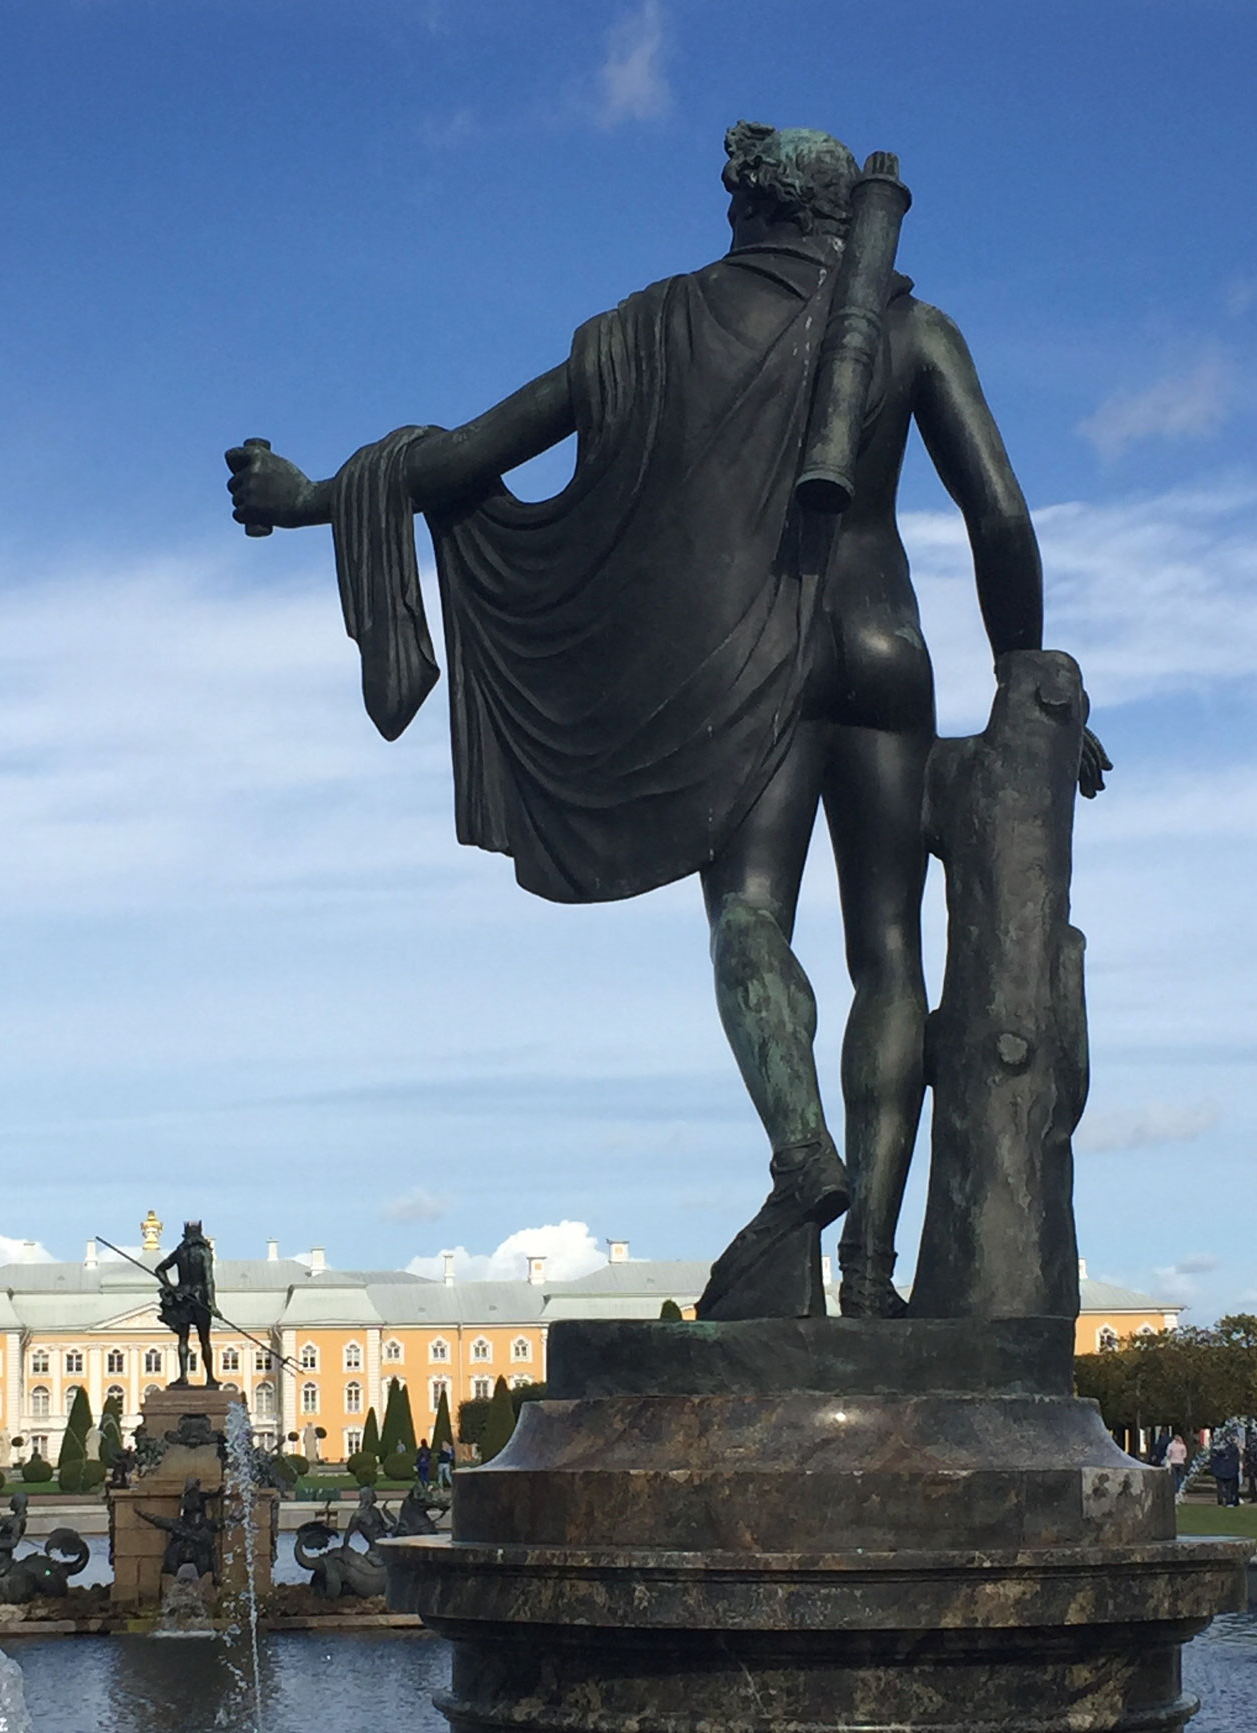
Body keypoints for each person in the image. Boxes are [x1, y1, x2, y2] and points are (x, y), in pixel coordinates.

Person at [226, 122, 1107, 1322]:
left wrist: (316, 497)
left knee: (750, 921)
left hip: (752, 670)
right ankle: (868, 1277)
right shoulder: (909, 323)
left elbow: (466, 458)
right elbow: (1001, 518)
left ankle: (805, 1155)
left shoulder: (653, 328)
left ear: (743, 208)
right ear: (839, 214)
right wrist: (1029, 682)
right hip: (889, 650)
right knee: (890, 953)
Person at [155, 1219, 218, 1385]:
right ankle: (210, 1378)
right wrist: (212, 1304)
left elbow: (159, 1269)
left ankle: (183, 1377)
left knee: (183, 1339)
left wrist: (170, 1287)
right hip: (200, 1298)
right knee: (205, 1340)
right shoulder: (204, 1252)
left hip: (182, 1298)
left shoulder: (180, 1251)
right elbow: (209, 1279)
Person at [1210, 1433, 1241, 1508]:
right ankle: (1228, 1501)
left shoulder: (1216, 1449)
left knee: (1220, 1487)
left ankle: (1221, 1501)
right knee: (1229, 1488)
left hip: (1219, 1470)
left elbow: (1213, 1459)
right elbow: (1236, 1458)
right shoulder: (1233, 1448)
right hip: (1230, 1470)